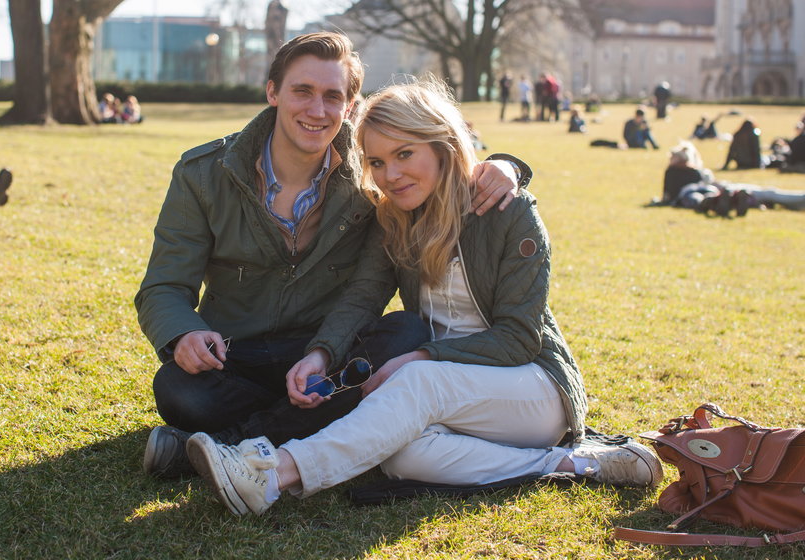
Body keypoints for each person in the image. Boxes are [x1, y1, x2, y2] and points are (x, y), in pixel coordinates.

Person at [183, 78, 664, 517]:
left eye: (404, 154)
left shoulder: (506, 210)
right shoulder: (394, 219)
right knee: (400, 457)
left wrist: (420, 356)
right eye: (376, 162)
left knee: (417, 383)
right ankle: (575, 465)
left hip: (531, 388)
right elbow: (363, 298)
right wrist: (320, 353)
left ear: (441, 145)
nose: (390, 174)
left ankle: (271, 474)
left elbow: (519, 339)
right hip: (444, 392)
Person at [137, 33, 523, 478]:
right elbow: (163, 286)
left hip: (326, 358)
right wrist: (184, 334)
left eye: (332, 97)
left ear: (350, 106)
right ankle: (293, 428)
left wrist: (509, 166)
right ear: (273, 92)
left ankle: (226, 444)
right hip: (233, 358)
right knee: (177, 391)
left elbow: (441, 175)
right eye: (302, 91)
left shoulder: (375, 182)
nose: (317, 110)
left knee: (406, 332)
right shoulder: (203, 174)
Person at [650, 141, 805, 216]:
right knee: (767, 193)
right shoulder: (698, 170)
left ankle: (718, 202)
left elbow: (668, 196)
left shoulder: (672, 171)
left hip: (692, 193)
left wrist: (658, 202)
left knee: (700, 199)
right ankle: (737, 199)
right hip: (718, 187)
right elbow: (710, 180)